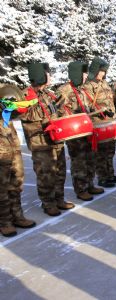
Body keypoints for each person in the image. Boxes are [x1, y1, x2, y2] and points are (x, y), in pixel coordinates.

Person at [21, 63, 75, 216]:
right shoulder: (26, 95)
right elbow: (27, 115)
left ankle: (59, 199)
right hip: (41, 142)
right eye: (47, 74)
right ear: (40, 75)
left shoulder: (48, 93)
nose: (50, 77)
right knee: (45, 174)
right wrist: (52, 108)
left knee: (59, 171)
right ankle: (48, 203)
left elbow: (56, 112)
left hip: (56, 139)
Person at [56, 61, 104, 201]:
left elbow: (86, 109)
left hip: (86, 130)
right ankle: (81, 189)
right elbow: (58, 111)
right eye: (83, 73)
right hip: (74, 133)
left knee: (90, 158)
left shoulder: (81, 90)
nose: (85, 76)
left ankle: (89, 184)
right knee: (79, 162)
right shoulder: (64, 90)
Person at [0, 83, 36, 237]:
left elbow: (17, 112)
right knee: (1, 187)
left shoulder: (3, 88)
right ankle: (4, 222)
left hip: (12, 142)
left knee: (17, 182)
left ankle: (17, 216)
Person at [83, 57, 116, 188]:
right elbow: (86, 106)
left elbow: (110, 100)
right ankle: (102, 177)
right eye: (100, 71)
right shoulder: (88, 86)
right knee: (101, 153)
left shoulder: (105, 84)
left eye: (104, 71)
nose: (103, 74)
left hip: (110, 123)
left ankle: (110, 174)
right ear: (95, 70)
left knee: (110, 151)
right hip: (98, 124)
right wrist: (100, 111)